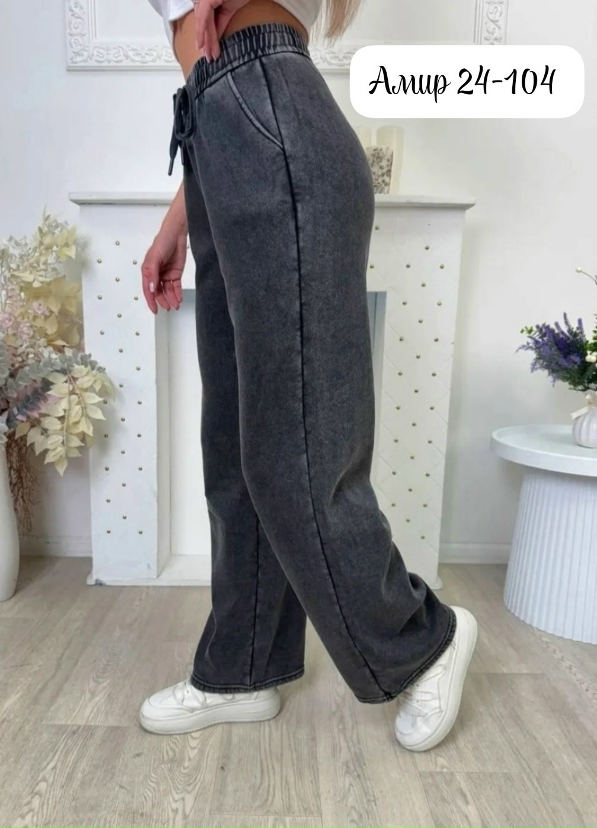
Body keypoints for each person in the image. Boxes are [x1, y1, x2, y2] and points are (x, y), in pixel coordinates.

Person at [138, 0, 478, 753]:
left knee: (294, 452)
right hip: (221, 132)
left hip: (262, 110)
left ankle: (425, 641)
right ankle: (243, 668)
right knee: (235, 448)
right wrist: (180, 220)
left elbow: (243, 70)